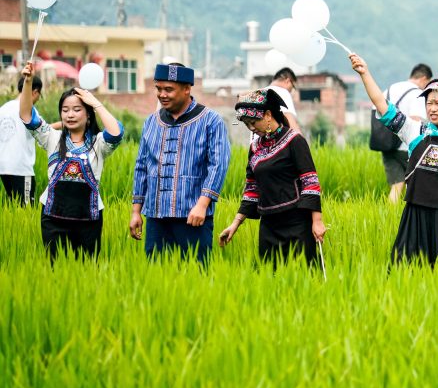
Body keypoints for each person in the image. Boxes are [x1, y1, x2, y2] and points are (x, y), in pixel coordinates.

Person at [349, 53, 438, 265]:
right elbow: (382, 105)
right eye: (429, 103)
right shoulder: (415, 131)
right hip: (416, 215)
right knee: (408, 269)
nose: (432, 108)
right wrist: (365, 73)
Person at [18, 62, 123, 259]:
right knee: (55, 270)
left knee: (86, 271)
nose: (70, 114)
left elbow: (116, 133)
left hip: (89, 220)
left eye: (77, 109)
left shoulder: (98, 144)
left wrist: (95, 103)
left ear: (88, 116)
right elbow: (26, 115)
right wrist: (28, 82)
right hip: (53, 218)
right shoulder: (52, 138)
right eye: (65, 110)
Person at [130, 63, 231, 263]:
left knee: (195, 276)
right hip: (156, 217)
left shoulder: (211, 121)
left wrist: (202, 205)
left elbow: (218, 165)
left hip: (193, 217)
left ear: (187, 89)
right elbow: (141, 166)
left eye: (169, 89)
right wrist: (136, 211)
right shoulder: (151, 122)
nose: (162, 94)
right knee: (157, 278)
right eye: (158, 89)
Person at [218, 89, 326, 265]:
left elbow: (310, 182)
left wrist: (317, 221)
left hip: (297, 223)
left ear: (268, 115)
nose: (251, 128)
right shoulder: (255, 148)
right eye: (247, 124)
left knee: (305, 277)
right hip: (268, 225)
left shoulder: (294, 141)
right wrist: (235, 224)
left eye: (253, 122)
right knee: (270, 278)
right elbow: (252, 189)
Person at [380, 63, 432, 203]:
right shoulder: (416, 92)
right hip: (405, 147)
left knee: (396, 185)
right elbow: (415, 120)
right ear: (424, 78)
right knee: (417, 184)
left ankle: (390, 215)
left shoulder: (389, 89)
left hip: (386, 144)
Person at [1, 70, 42, 205]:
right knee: (26, 208)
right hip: (21, 168)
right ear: (35, 92)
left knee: (14, 207)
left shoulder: (3, 109)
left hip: (4, 168)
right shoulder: (30, 110)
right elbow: (43, 130)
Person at [265, 67, 301, 135]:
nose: (291, 91)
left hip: (257, 144)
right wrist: (302, 143)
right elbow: (290, 121)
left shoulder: (259, 93)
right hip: (276, 143)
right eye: (293, 87)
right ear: (287, 81)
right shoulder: (282, 92)